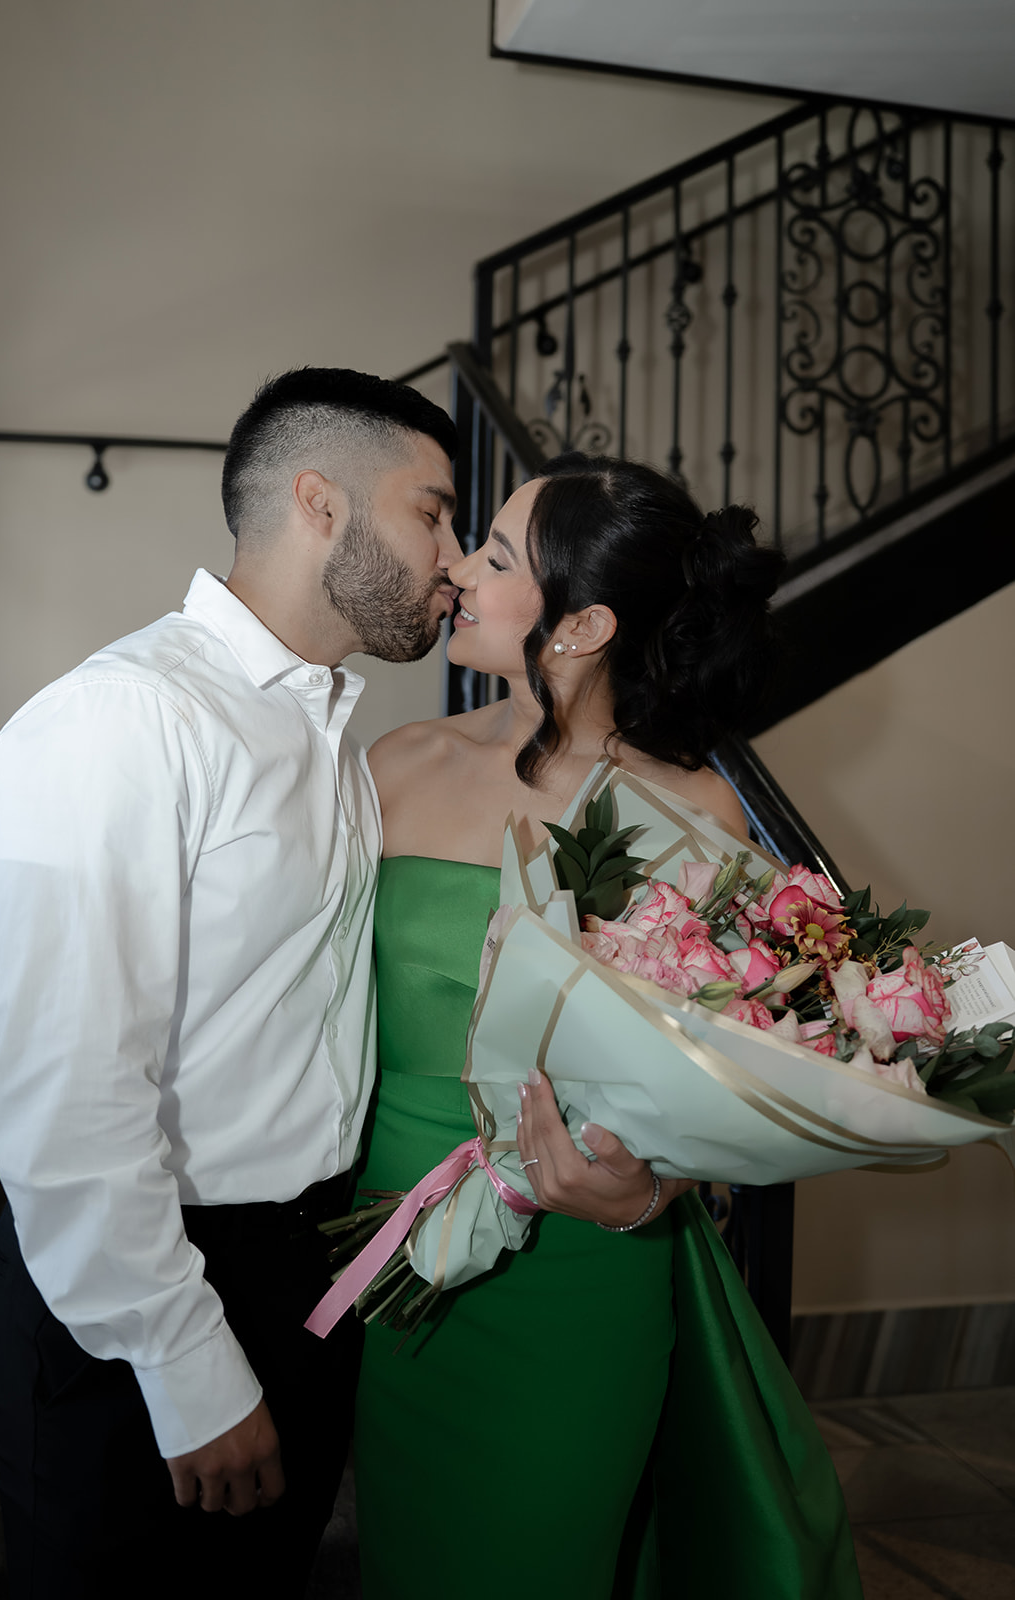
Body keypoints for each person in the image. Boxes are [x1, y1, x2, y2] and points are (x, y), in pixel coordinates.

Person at [0, 366, 466, 1597]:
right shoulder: (123, 717)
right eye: (432, 512)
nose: (453, 558)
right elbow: (73, 1092)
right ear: (319, 501)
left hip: (305, 1264)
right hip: (149, 1287)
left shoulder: (332, 734)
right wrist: (183, 1361)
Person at [352, 454, 864, 1598]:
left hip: (580, 1265)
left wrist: (648, 1190)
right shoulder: (396, 765)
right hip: (395, 1244)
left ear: (581, 624)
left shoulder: (695, 807)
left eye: (493, 556)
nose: (455, 569)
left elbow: (724, 1066)